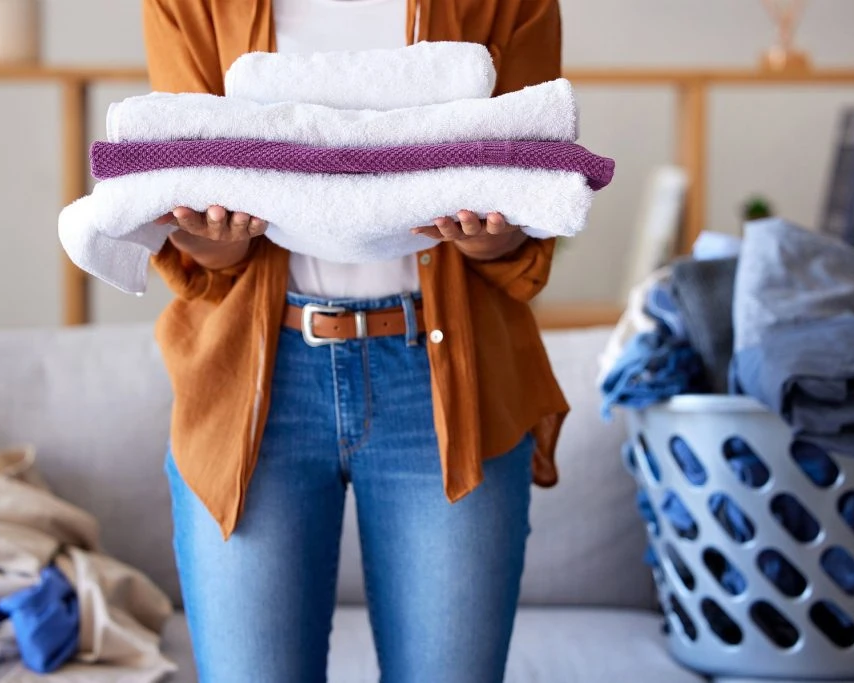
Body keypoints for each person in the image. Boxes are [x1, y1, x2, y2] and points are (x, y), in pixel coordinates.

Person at [143, 0, 568, 681]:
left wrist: (502, 230)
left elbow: (533, 190)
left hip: (447, 385)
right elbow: (185, 197)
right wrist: (206, 234)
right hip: (255, 387)